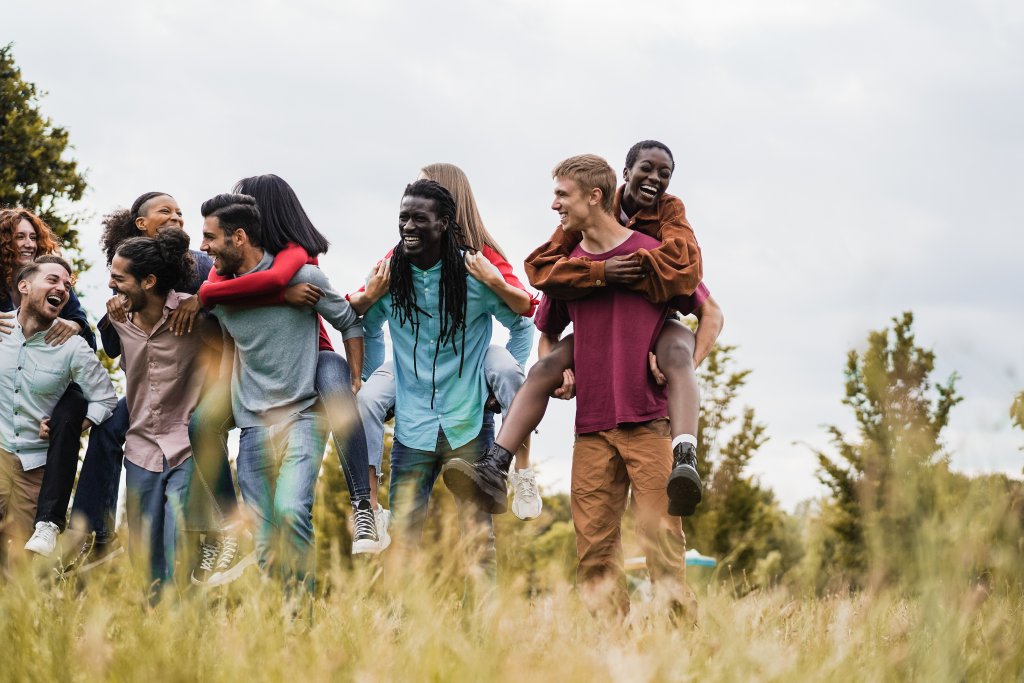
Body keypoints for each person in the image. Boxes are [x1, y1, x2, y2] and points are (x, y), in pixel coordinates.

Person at [447, 141, 723, 518]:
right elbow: (542, 271)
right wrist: (601, 271)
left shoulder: (665, 217)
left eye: (665, 174)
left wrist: (689, 360)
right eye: (646, 169)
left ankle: (686, 455)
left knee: (676, 351)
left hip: (656, 328)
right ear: (623, 175)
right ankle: (494, 466)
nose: (655, 179)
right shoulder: (576, 242)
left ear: (592, 196)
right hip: (596, 349)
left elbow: (696, 283)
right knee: (544, 368)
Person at [532, 154, 694, 615]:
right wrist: (557, 369)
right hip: (591, 427)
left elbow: (709, 311)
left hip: (648, 420)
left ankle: (678, 647)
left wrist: (679, 361)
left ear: (594, 196)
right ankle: (609, 649)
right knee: (595, 550)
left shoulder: (653, 252)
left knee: (662, 540)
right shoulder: (567, 265)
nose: (554, 206)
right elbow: (546, 329)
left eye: (562, 195)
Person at [188, 174, 382, 555]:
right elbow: (218, 294)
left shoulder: (298, 260)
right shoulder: (225, 277)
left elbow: (337, 314)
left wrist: (359, 377)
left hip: (314, 355)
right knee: (202, 423)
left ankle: (363, 502)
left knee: (337, 387)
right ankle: (228, 522)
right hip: (257, 382)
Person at [348, 163, 543, 523]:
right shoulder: (399, 260)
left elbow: (526, 308)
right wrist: (376, 374)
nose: (409, 219)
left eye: (423, 189)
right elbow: (360, 308)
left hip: (469, 370)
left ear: (444, 208)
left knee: (502, 365)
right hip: (412, 378)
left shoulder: (481, 257)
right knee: (370, 398)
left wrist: (496, 283)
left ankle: (521, 469)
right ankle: (368, 509)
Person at [106, 229, 222, 592]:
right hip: (140, 449)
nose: (111, 284)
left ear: (149, 281)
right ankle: (153, 629)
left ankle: (186, 625)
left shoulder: (190, 314)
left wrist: (214, 410)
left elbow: (230, 354)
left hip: (185, 446)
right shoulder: (118, 319)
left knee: (180, 540)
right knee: (143, 554)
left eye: (119, 277)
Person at [0, 256, 116, 566]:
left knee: (19, 569)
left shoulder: (73, 348)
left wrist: (79, 424)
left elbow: (105, 398)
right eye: (53, 279)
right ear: (24, 286)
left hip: (35, 467)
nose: (62, 288)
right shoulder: (1, 328)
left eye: (67, 285)